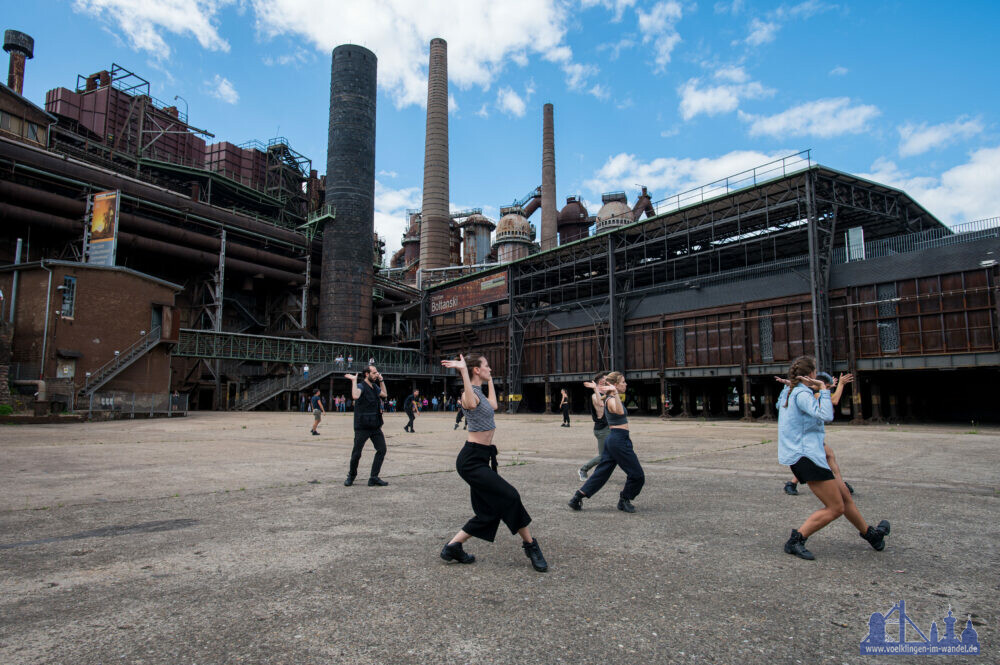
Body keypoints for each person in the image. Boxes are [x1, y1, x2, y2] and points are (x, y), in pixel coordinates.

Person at [439, 353, 548, 573]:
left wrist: (489, 383)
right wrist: (463, 372)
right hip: (471, 461)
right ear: (476, 370)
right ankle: (531, 546)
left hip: (482, 458)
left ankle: (453, 547)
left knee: (488, 512)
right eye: (486, 366)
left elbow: (494, 406)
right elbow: (469, 402)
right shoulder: (468, 394)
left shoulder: (480, 391)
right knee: (510, 496)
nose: (491, 369)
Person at [778, 356, 890, 560]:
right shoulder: (801, 394)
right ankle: (796, 540)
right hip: (806, 457)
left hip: (811, 454)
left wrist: (796, 385)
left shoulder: (792, 390)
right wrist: (823, 389)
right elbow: (826, 415)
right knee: (836, 507)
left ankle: (871, 535)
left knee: (845, 495)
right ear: (811, 373)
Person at [568, 371, 644, 513]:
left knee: (601, 473)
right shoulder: (611, 399)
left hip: (614, 439)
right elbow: (620, 412)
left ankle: (577, 497)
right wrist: (614, 392)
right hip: (618, 440)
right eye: (623, 382)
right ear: (615, 384)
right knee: (637, 475)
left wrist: (602, 390)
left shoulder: (610, 397)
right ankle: (624, 499)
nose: (626, 384)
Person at [782, 372, 855, 496]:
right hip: (809, 435)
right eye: (825, 386)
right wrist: (841, 385)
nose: (826, 389)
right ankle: (840, 485)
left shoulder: (811, 392)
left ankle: (793, 483)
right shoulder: (811, 392)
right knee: (825, 457)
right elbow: (834, 400)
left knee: (826, 456)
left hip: (810, 433)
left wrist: (828, 387)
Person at [344, 366, 389, 487]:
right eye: (374, 373)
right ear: (366, 374)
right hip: (362, 426)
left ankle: (373, 477)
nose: (376, 374)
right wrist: (354, 380)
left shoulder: (374, 387)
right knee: (357, 453)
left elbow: (384, 394)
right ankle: (351, 476)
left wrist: (381, 380)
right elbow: (355, 396)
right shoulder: (361, 386)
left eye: (376, 373)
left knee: (382, 449)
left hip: (375, 425)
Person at [577, 373, 610, 481]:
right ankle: (583, 469)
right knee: (603, 456)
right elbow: (600, 404)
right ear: (601, 381)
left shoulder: (605, 394)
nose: (608, 380)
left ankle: (600, 474)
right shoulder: (595, 395)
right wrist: (595, 388)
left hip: (608, 428)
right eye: (606, 379)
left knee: (613, 453)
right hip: (602, 430)